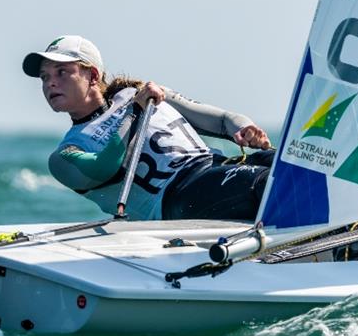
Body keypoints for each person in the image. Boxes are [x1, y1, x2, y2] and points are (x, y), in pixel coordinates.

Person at [22, 35, 273, 221]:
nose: (50, 83)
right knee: (265, 182)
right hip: (176, 200)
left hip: (216, 168)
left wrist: (245, 128)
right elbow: (102, 167)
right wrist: (134, 112)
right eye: (45, 77)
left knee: (285, 161)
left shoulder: (139, 93)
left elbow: (222, 120)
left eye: (62, 72)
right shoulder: (65, 154)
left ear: (93, 76)